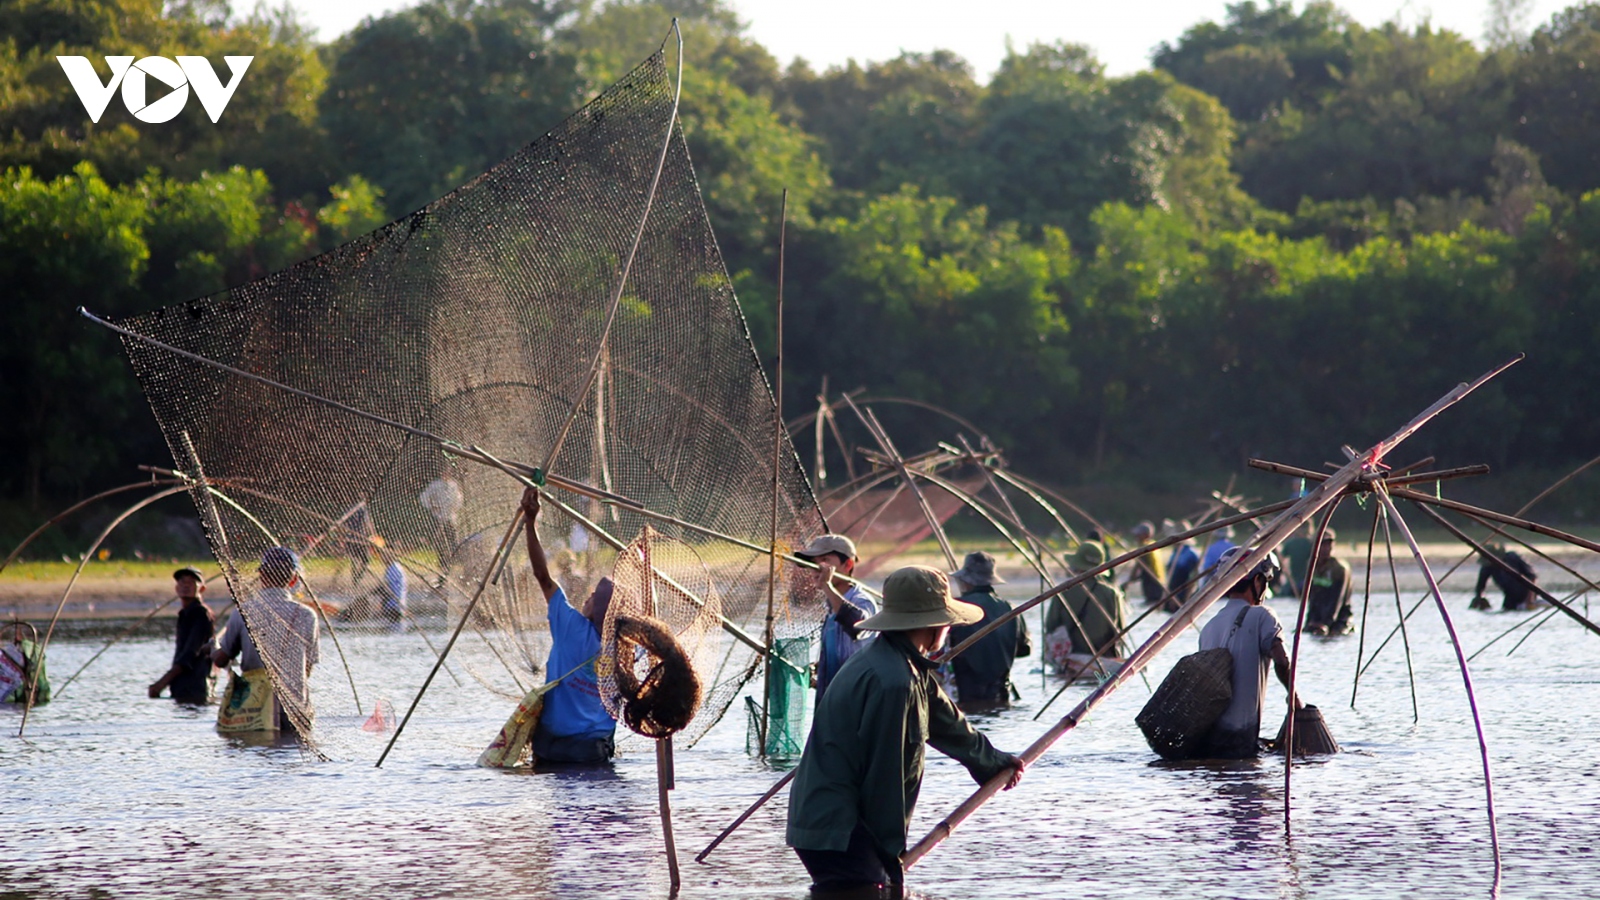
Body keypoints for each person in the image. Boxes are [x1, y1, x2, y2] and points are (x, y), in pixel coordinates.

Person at [786, 565, 1025, 894]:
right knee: (874, 889)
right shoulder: (894, 683)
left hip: (828, 821)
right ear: (934, 624)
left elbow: (948, 723)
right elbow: (886, 777)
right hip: (838, 828)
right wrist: (890, 855)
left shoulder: (904, 664)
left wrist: (994, 763)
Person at [520, 487, 617, 764]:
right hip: (595, 750)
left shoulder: (570, 626)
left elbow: (542, 575)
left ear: (599, 611)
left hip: (553, 746)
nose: (587, 597)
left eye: (594, 598)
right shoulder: (625, 648)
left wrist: (530, 522)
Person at [1194, 547, 1300, 759]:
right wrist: (1294, 697)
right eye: (1265, 581)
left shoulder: (1209, 627)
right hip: (1241, 739)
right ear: (1257, 581)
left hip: (1211, 740)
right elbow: (1282, 659)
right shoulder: (1262, 616)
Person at [212, 547, 320, 734]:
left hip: (254, 710)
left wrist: (213, 648)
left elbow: (222, 659)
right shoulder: (307, 615)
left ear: (262, 576)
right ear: (294, 579)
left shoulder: (242, 612)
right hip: (296, 710)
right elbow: (307, 669)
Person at [793, 533, 877, 697]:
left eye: (825, 561)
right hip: (832, 700)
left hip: (855, 700)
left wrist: (827, 586)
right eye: (813, 563)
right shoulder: (830, 607)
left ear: (847, 565)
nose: (817, 569)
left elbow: (857, 626)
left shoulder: (861, 601)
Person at [946, 551, 1029, 712]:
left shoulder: (955, 608)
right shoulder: (1009, 609)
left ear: (967, 582)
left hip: (965, 695)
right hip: (1000, 694)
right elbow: (1024, 649)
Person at [1044, 541, 1127, 675]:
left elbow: (1050, 628)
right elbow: (1119, 632)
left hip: (1071, 664)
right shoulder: (1111, 594)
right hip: (1102, 664)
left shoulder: (1063, 592)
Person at [147, 566, 215, 703]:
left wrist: (162, 683)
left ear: (202, 589)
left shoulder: (201, 614)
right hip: (181, 686)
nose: (186, 585)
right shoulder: (184, 614)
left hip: (194, 687)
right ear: (176, 588)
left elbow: (190, 654)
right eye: (182, 582)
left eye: (191, 582)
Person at [1301, 530, 1353, 635]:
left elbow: (1338, 599)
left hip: (1339, 620)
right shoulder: (1312, 566)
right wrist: (1309, 622)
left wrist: (1326, 624)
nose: (1326, 548)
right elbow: (1312, 597)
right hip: (1317, 618)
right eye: (1322, 544)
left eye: (1329, 545)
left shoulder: (1339, 569)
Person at [1472, 545, 1539, 611]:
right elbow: (1480, 586)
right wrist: (1479, 599)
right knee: (1506, 610)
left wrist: (1530, 600)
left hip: (1527, 594)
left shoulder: (1512, 558)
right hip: (1509, 597)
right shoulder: (1487, 567)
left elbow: (1532, 577)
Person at [1121, 521, 1166, 608]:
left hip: (1153, 584)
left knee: (1150, 604)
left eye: (1139, 534)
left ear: (1146, 535)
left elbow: (1138, 567)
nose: (1136, 536)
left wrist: (1127, 583)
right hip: (1159, 583)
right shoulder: (1154, 544)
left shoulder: (1145, 548)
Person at [420, 475, 464, 566]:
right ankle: (443, 562)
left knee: (452, 541)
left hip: (450, 519)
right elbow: (424, 497)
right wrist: (432, 506)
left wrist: (454, 508)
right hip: (438, 518)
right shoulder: (436, 485)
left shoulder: (453, 486)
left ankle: (451, 560)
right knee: (440, 542)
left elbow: (459, 500)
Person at [1164, 521, 1200, 611]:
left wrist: (1183, 597)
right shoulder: (1175, 553)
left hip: (1183, 596)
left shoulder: (1191, 554)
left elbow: (1194, 578)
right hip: (1171, 594)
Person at [1279, 521, 1315, 598]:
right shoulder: (1291, 543)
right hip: (1293, 581)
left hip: (1306, 580)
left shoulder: (1312, 543)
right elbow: (1280, 560)